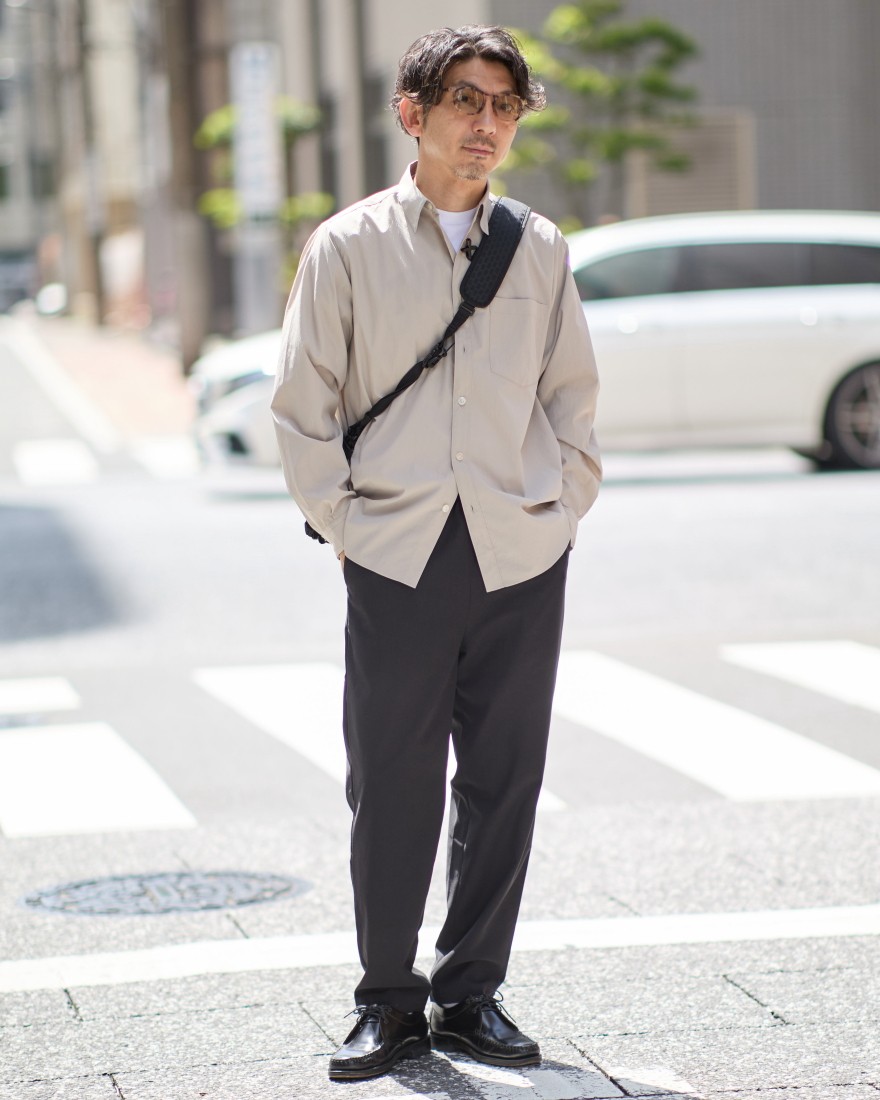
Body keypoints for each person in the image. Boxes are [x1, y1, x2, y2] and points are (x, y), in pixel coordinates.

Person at [271, 24, 602, 1083]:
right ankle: (386, 1000)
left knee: (505, 778)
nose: (486, 123)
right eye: (466, 100)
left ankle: (470, 995)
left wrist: (560, 510)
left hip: (519, 549)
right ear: (413, 114)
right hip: (399, 549)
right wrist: (349, 526)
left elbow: (572, 400)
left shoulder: (539, 248)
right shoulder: (347, 246)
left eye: (504, 105)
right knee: (392, 777)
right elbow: (302, 408)